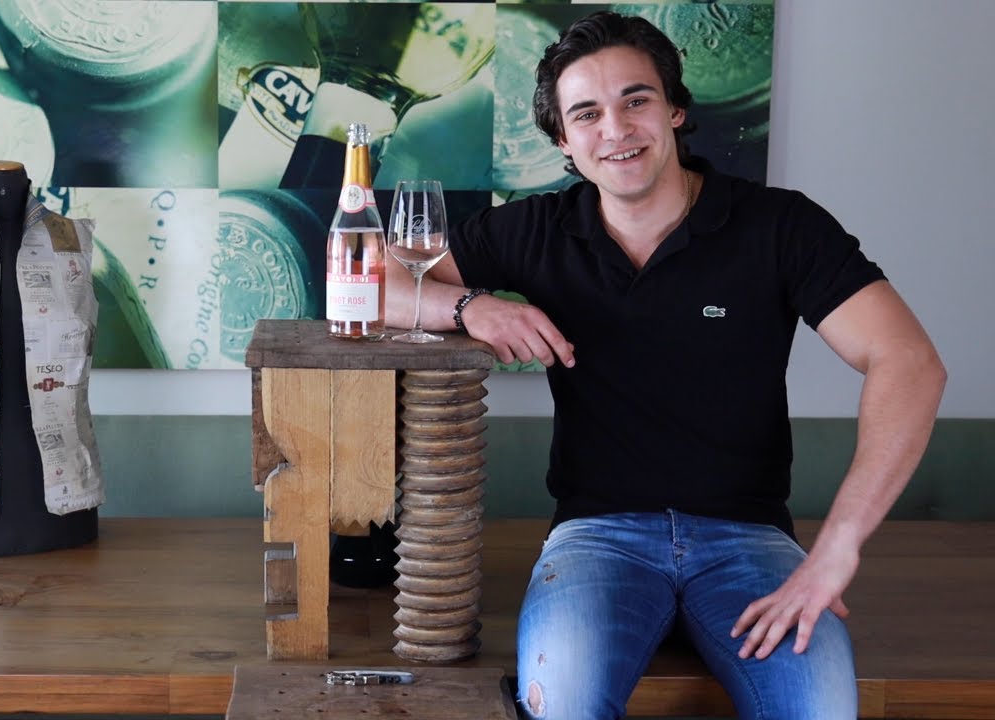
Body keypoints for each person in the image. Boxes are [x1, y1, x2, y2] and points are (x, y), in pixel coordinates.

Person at [385, 11, 946, 720]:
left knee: (821, 711)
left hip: (752, 542)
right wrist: (472, 307)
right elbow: (371, 283)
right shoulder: (536, 228)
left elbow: (910, 361)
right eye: (586, 114)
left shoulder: (781, 225)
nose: (615, 129)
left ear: (675, 109)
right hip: (596, 538)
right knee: (562, 705)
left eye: (636, 100)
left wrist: (838, 548)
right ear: (563, 140)